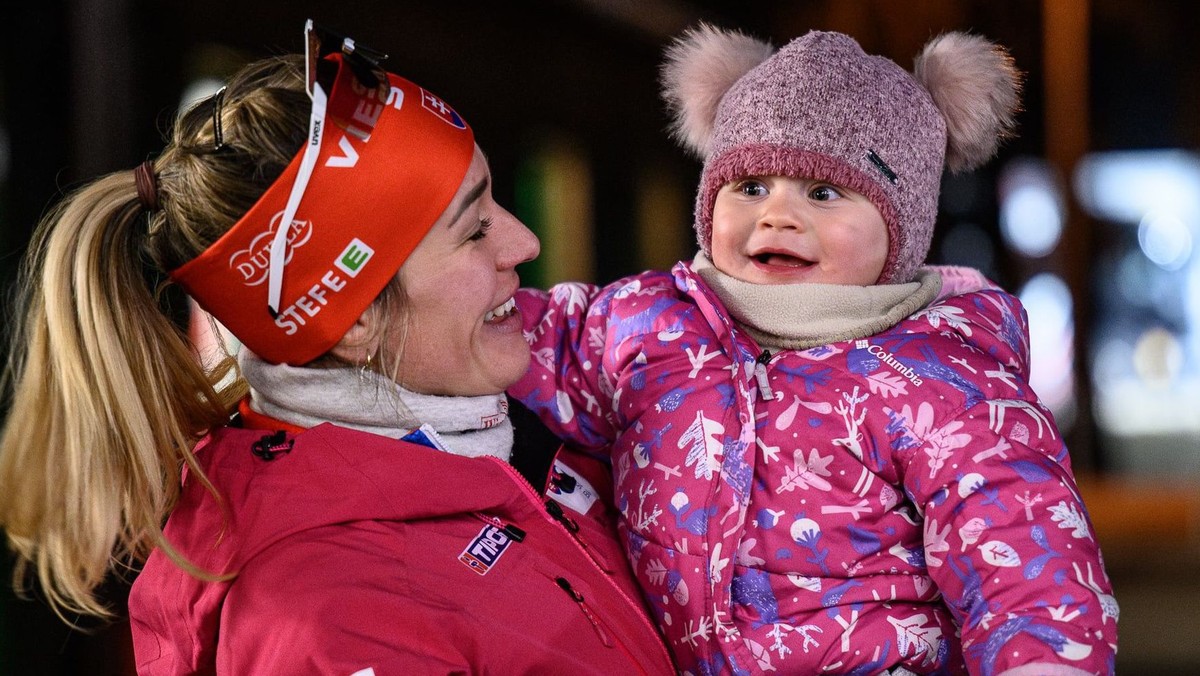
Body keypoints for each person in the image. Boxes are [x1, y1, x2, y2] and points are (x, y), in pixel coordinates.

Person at [0, 21, 675, 674]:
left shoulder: (522, 424)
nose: (523, 243)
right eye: (474, 231)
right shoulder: (336, 621)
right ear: (352, 323)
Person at [509, 25, 1117, 675]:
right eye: (749, 188)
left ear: (900, 226)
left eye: (822, 193)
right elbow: (511, 335)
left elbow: (1023, 549)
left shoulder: (940, 379)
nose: (777, 215)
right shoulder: (650, 327)